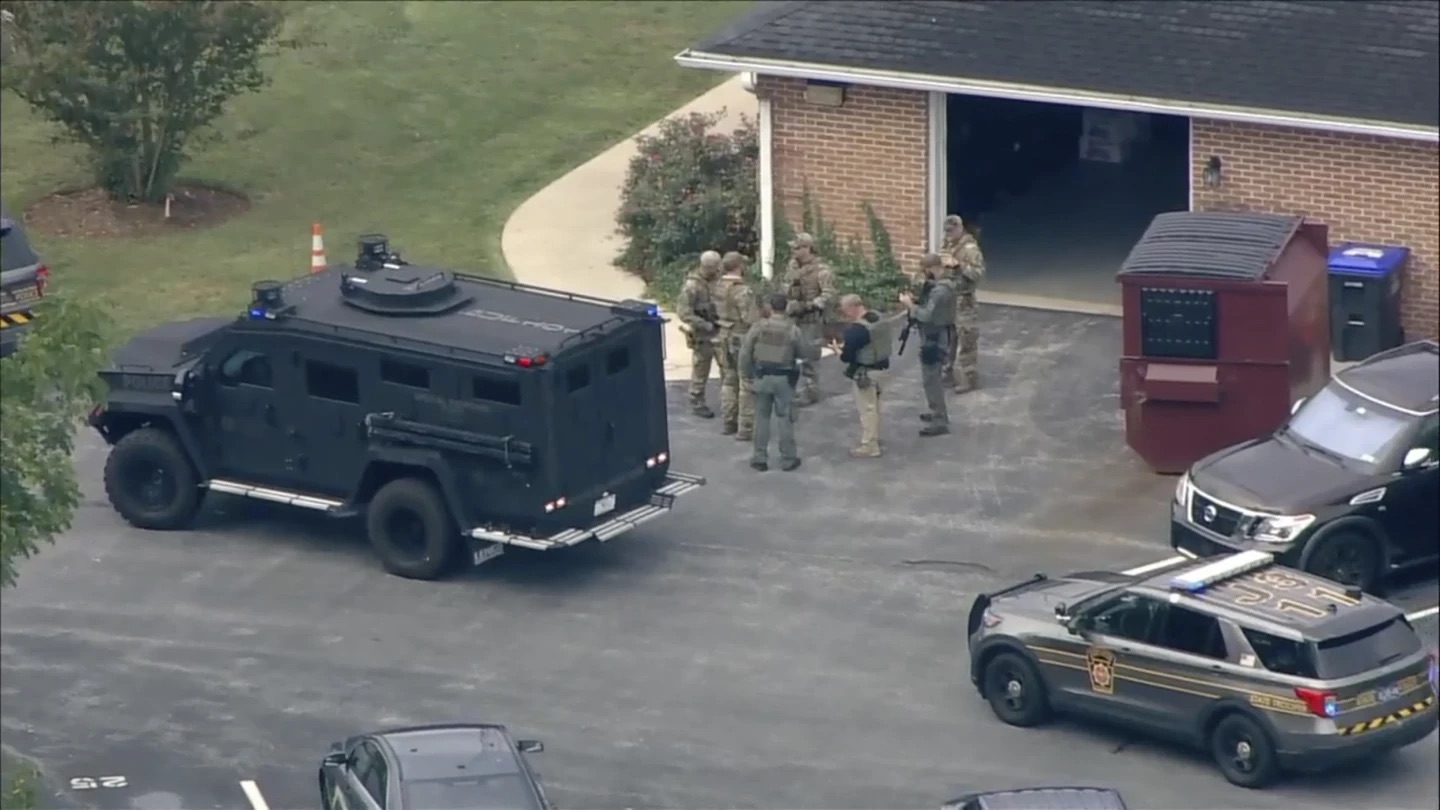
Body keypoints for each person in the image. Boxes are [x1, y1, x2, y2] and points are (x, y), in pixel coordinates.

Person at [739, 292, 816, 472]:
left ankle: (759, 458)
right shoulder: (793, 329)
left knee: (761, 418)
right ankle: (788, 458)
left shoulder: (758, 327)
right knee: (785, 419)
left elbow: (745, 353)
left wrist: (746, 375)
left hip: (761, 377)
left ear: (769, 307)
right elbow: (803, 353)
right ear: (786, 307)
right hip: (784, 379)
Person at [828, 293, 892, 458]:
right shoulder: (878, 318)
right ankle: (874, 437)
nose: (845, 315)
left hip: (865, 373)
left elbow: (847, 356)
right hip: (883, 368)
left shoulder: (857, 330)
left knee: (867, 409)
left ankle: (870, 445)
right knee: (876, 406)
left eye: (845, 311)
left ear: (851, 308)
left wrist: (838, 351)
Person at [900, 253, 956, 437]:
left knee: (932, 379)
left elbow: (925, 315)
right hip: (934, 334)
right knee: (930, 378)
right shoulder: (940, 286)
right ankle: (936, 411)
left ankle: (940, 419)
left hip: (935, 336)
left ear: (932, 269)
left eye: (925, 271)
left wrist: (910, 306)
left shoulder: (941, 290)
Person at [780, 232, 836, 407]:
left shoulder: (822, 271)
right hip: (791, 317)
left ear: (807, 248)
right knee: (788, 355)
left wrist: (809, 305)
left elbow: (828, 295)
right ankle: (790, 389)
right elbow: (784, 285)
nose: (794, 252)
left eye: (797, 248)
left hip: (810, 319)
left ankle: (811, 391)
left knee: (809, 357)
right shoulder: (792, 267)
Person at [712, 251, 758, 440]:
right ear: (739, 266)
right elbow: (750, 318)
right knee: (746, 381)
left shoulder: (717, 287)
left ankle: (728, 421)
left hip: (723, 334)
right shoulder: (742, 290)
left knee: (728, 380)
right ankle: (745, 427)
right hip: (740, 336)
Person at [940, 214, 986, 393]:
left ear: (960, 228)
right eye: (947, 231)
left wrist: (958, 265)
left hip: (964, 301)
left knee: (966, 340)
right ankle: (947, 373)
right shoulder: (948, 245)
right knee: (948, 339)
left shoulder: (970, 249)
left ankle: (969, 379)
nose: (949, 234)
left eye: (952, 231)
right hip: (948, 299)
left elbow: (978, 273)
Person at [678, 250, 722, 417]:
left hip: (720, 330)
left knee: (727, 368)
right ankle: (697, 401)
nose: (718, 270)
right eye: (716, 267)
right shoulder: (692, 286)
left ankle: (730, 402)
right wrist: (704, 324)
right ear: (708, 267)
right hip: (703, 335)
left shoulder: (718, 281)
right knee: (701, 370)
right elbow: (683, 312)